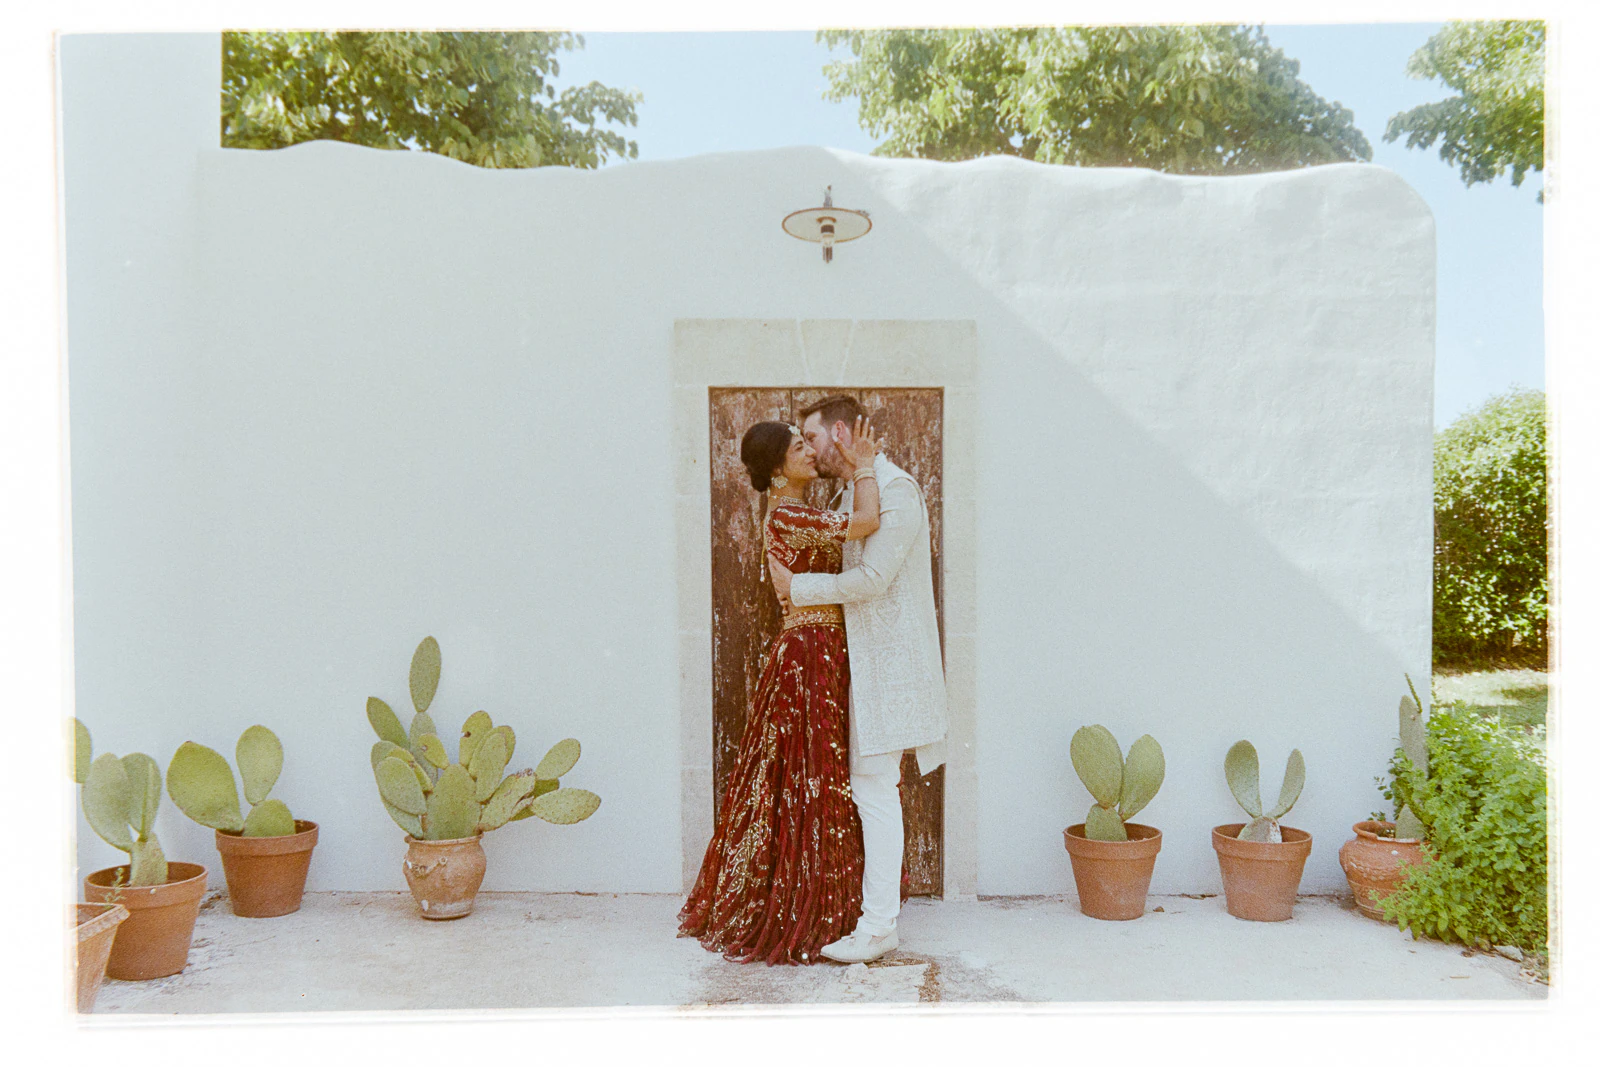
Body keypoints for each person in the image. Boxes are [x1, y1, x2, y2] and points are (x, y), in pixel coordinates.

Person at [678, 415, 883, 965]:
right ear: (776, 470)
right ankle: (812, 907)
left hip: (821, 648)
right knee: (811, 776)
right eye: (799, 448)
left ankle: (828, 902)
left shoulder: (796, 512)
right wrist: (865, 466)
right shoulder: (790, 515)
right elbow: (866, 523)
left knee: (816, 775)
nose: (810, 453)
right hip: (809, 653)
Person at [767, 394, 949, 964]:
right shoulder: (853, 493)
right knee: (870, 789)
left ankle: (878, 927)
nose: (812, 450)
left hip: (889, 670)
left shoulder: (895, 491)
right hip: (859, 669)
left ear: (840, 433)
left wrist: (797, 591)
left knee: (875, 789)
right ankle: (872, 919)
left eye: (813, 437)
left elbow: (872, 579)